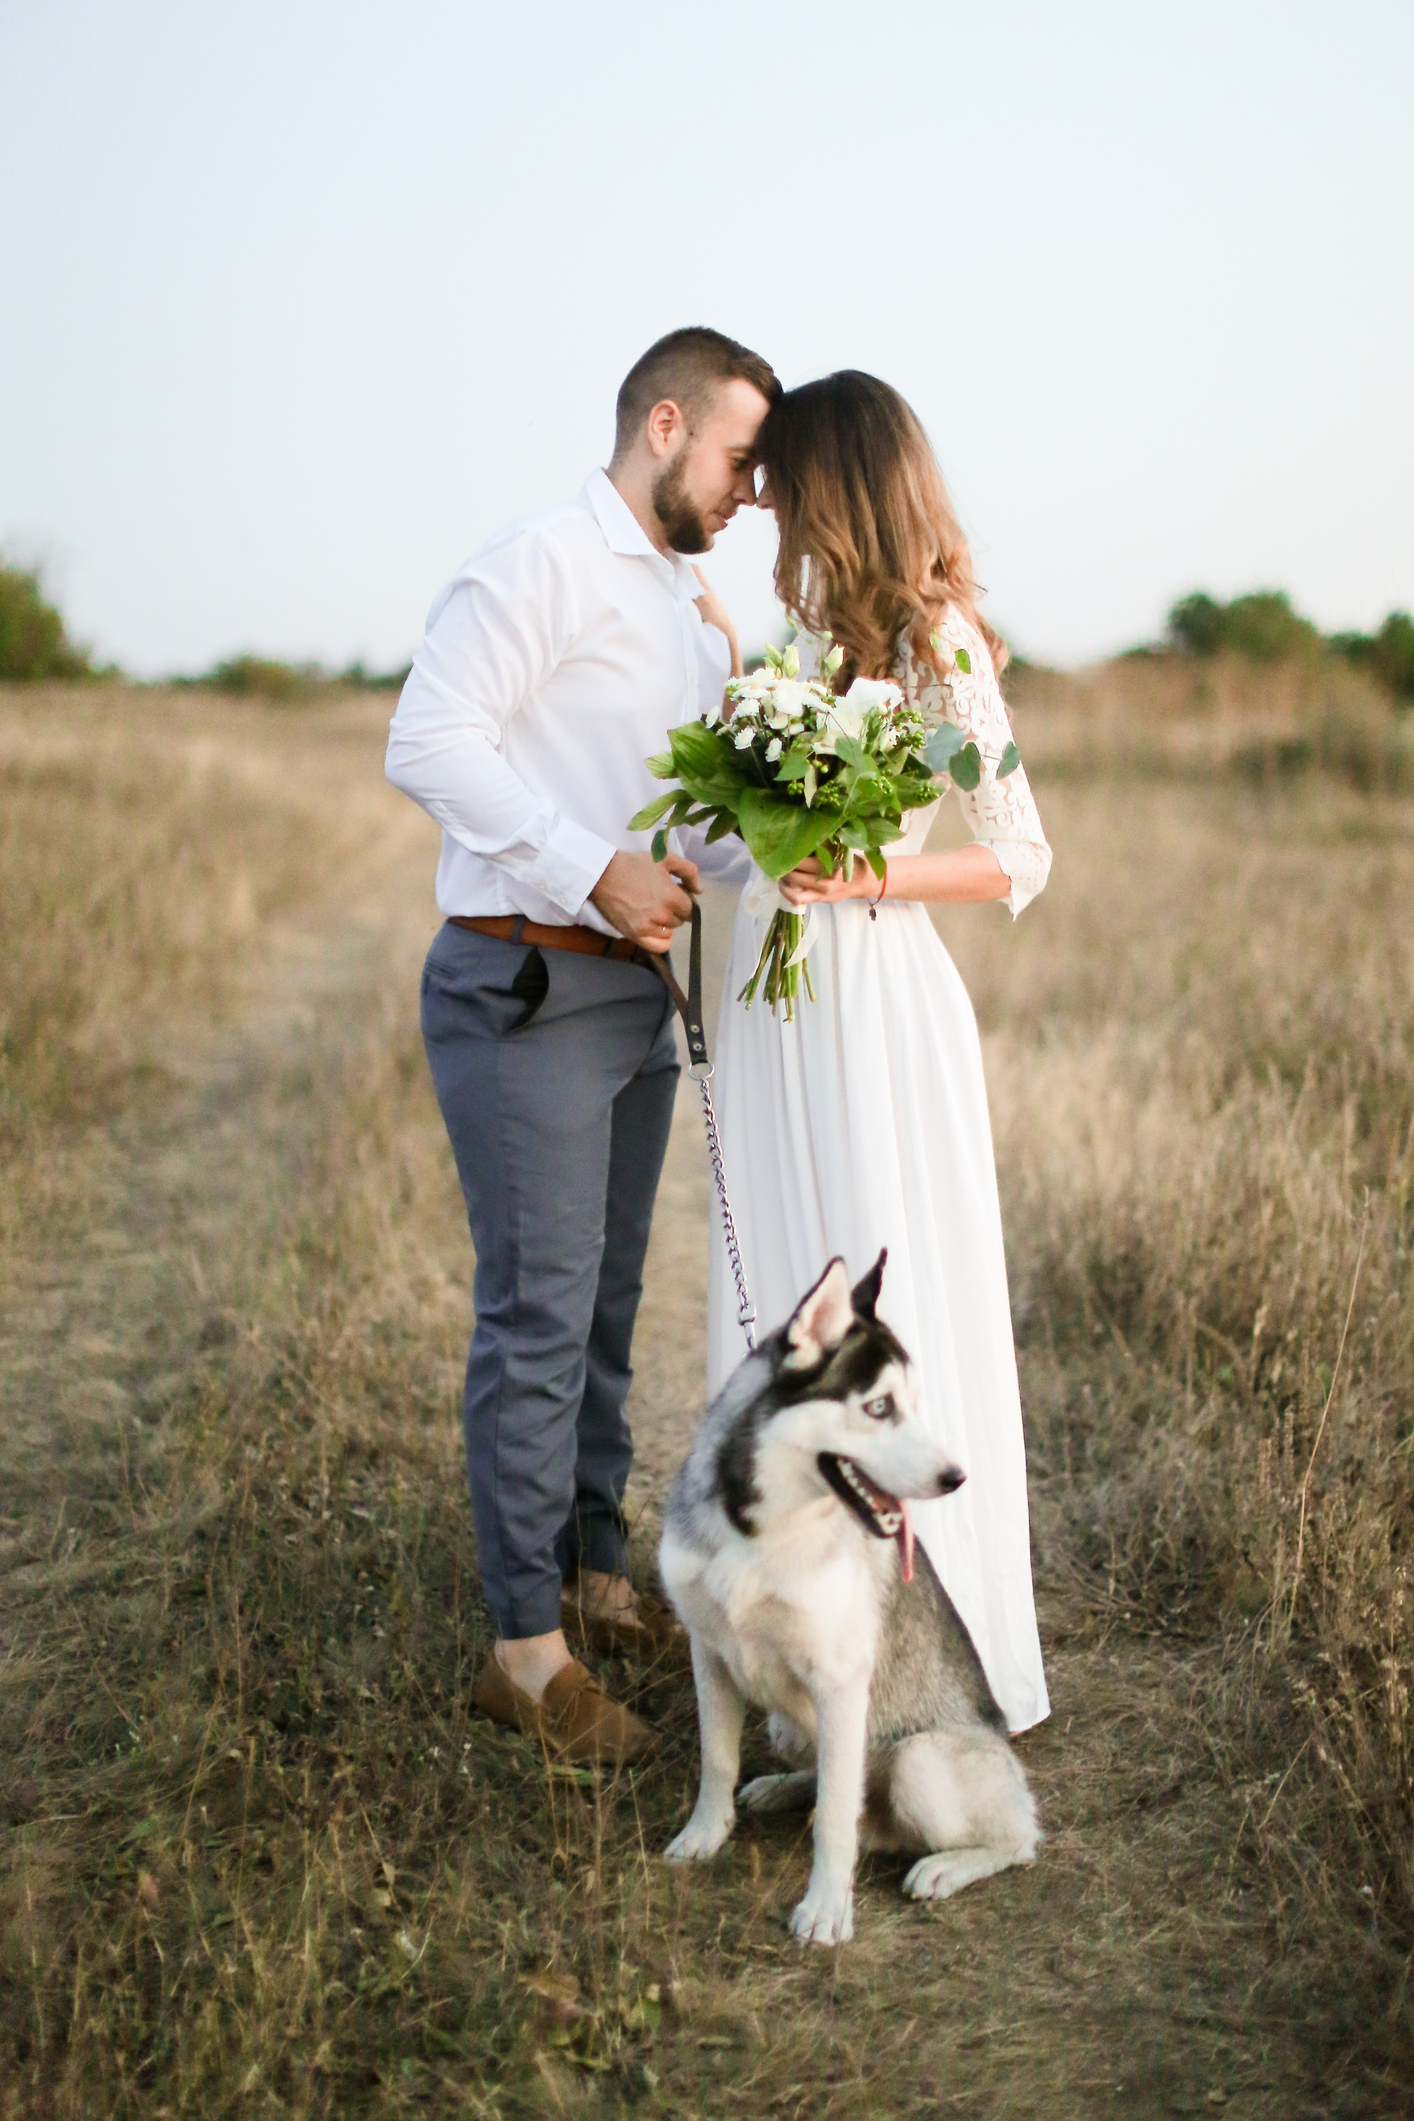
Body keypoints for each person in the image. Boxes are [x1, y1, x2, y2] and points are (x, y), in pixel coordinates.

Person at [386, 327, 776, 1763]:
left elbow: (682, 824)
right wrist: (587, 865)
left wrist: (820, 818)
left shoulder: (692, 608)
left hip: (633, 994)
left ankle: (597, 1570)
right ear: (664, 425)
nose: (753, 490)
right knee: (537, 1316)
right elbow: (428, 739)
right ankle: (522, 1648)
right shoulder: (540, 561)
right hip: (525, 981)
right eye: (741, 458)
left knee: (607, 1303)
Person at [706, 370, 1051, 1732]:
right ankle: (809, 1671)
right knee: (786, 1309)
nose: (765, 502)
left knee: (878, 1303)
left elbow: (1019, 852)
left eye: (782, 479)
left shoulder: (939, 644)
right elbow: (750, 838)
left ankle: (935, 1663)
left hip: (874, 1008)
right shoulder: (794, 644)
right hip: (772, 1011)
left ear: (834, 484)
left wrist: (862, 882)